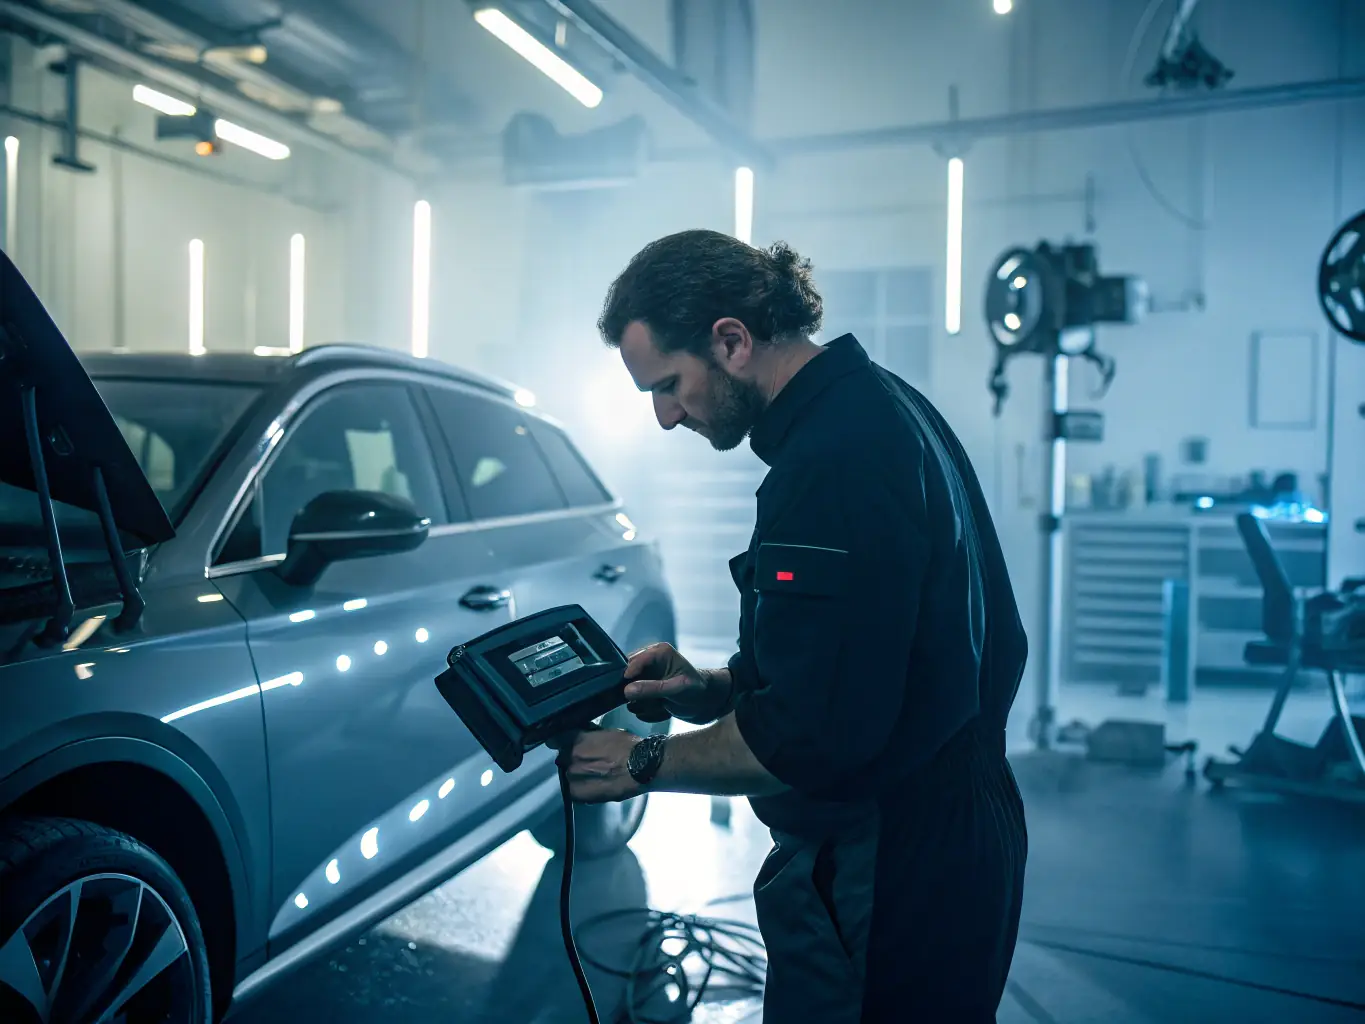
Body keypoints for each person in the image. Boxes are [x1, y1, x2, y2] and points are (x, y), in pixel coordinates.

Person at [555, 229, 1029, 1022]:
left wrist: (640, 761)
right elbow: (874, 654)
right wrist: (713, 687)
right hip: (947, 837)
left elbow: (813, 735)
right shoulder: (887, 406)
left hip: (884, 866)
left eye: (667, 385)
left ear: (731, 341)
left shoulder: (830, 463)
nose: (666, 417)